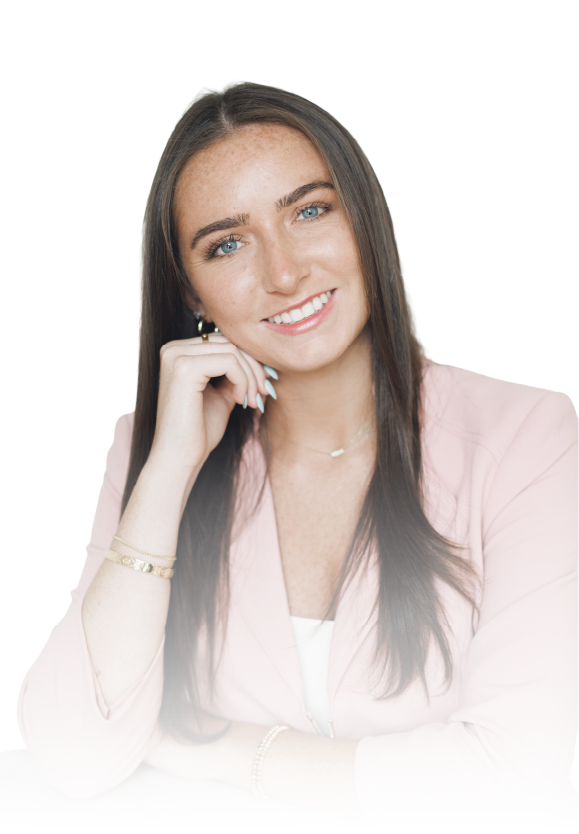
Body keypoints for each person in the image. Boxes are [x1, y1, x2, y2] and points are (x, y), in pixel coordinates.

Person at [17, 81, 577, 832]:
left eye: (309, 211)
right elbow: (74, 757)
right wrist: (167, 470)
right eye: (228, 243)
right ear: (193, 292)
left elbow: (522, 781)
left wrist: (222, 751)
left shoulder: (525, 436)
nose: (283, 273)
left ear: (363, 219)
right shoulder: (155, 450)